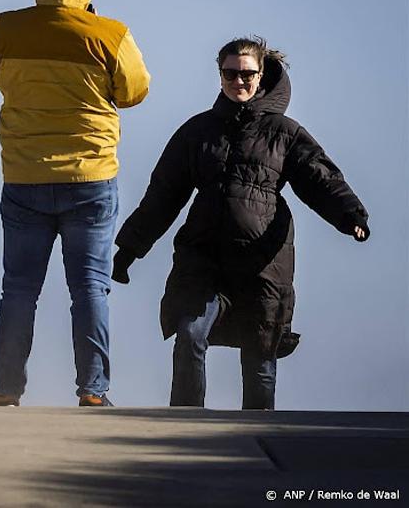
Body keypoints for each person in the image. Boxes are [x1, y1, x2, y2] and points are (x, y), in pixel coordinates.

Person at [112, 37, 370, 410]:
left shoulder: (285, 132)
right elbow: (164, 195)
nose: (239, 81)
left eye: (247, 73)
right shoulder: (197, 131)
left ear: (261, 75)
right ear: (220, 75)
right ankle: (183, 425)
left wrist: (350, 216)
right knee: (190, 335)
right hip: (204, 257)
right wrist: (129, 250)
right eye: (231, 73)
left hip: (263, 263)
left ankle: (257, 438)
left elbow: (320, 178)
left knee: (260, 353)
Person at [0, 0, 151, 407]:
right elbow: (134, 92)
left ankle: (7, 389)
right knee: (90, 287)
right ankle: (93, 390)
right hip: (90, 180)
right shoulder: (110, 34)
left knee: (19, 288)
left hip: (24, 177)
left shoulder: (5, 28)